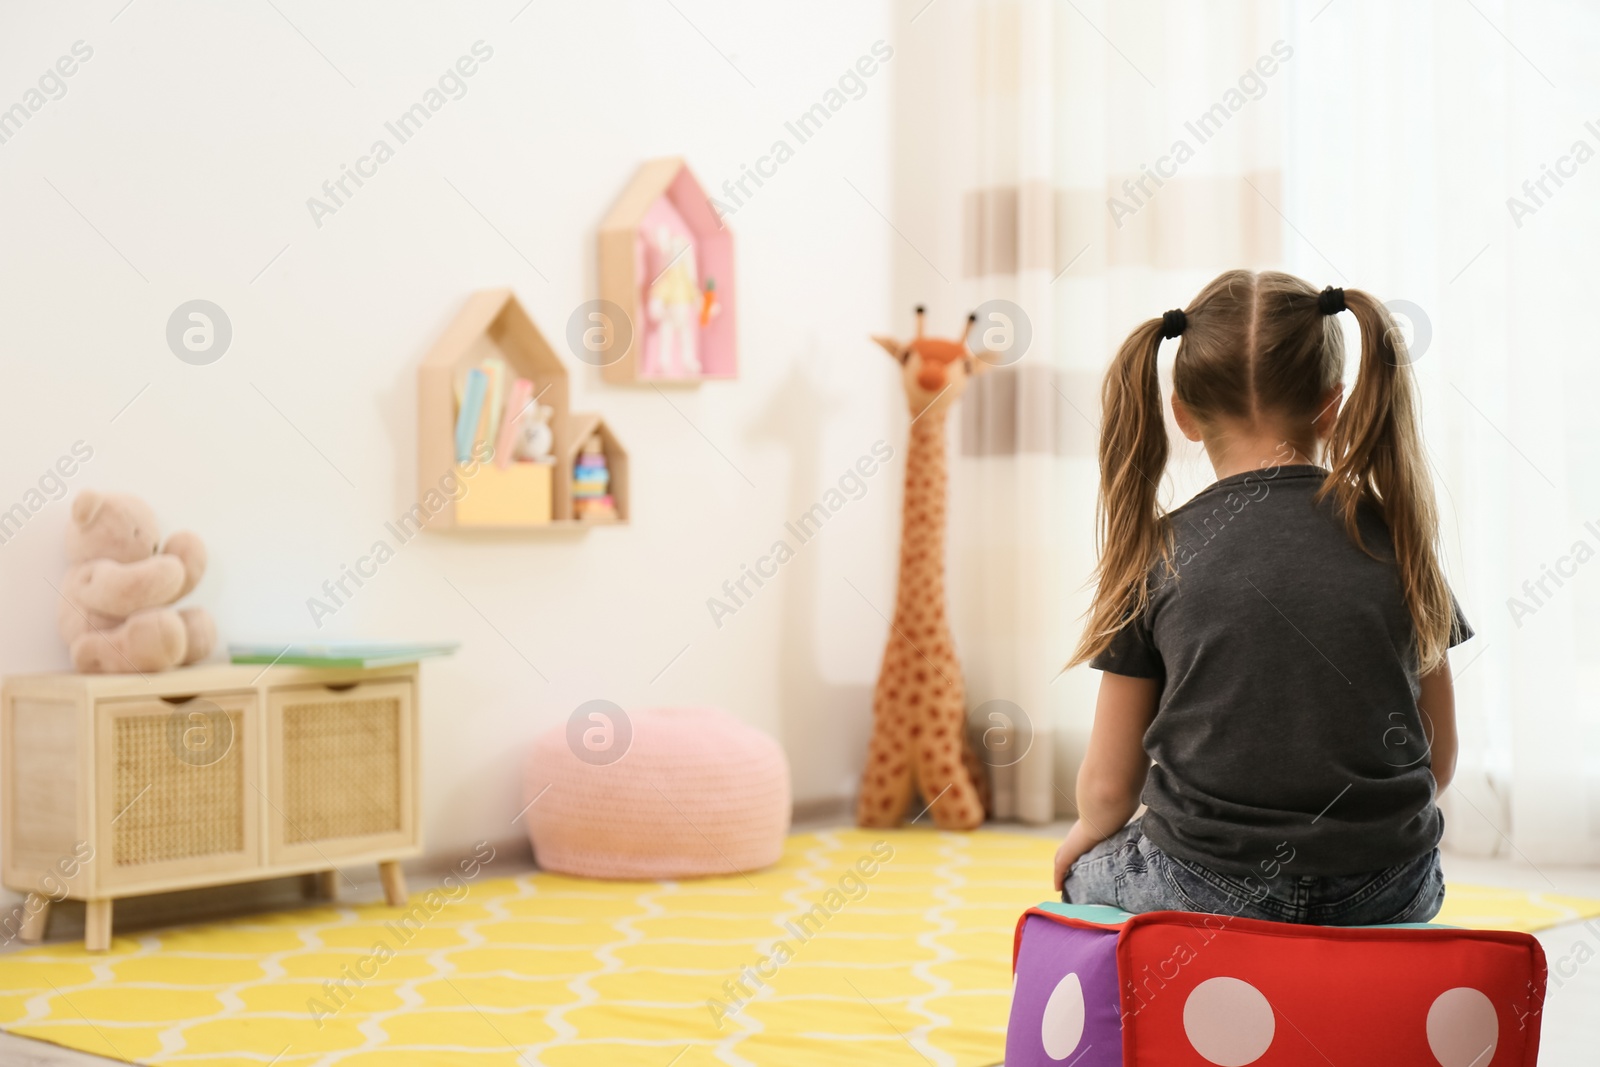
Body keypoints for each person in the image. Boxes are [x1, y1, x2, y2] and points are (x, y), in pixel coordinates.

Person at [1053, 270, 1470, 926]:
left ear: (1183, 414)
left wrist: (1083, 838)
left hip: (1205, 886)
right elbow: (1437, 760)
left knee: (1084, 871)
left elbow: (1109, 789)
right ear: (1332, 405)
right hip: (1390, 886)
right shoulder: (1401, 540)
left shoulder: (1156, 551)